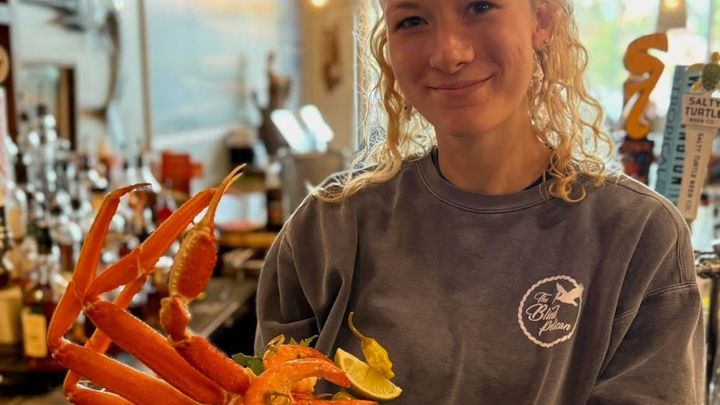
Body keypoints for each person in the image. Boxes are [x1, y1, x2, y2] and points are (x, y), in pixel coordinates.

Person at [255, 0, 704, 403]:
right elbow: (267, 390)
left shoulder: (638, 236)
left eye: (480, 7)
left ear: (542, 19)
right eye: (412, 20)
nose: (448, 54)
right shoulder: (327, 229)